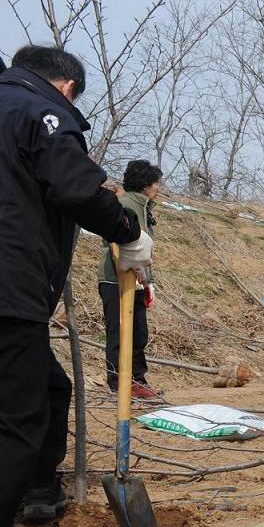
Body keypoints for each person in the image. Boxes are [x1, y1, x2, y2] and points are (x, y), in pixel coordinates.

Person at [0, 45, 151, 527]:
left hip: (2, 287)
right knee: (16, 414)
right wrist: (127, 230)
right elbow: (76, 188)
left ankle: (38, 489)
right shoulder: (41, 112)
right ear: (65, 86)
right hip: (2, 287)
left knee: (51, 387)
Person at [100, 160, 163, 399]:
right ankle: (118, 382)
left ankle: (138, 379)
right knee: (119, 332)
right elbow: (122, 243)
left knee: (138, 332)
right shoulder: (126, 204)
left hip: (137, 278)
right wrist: (144, 279)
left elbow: (144, 251)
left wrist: (148, 282)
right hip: (115, 278)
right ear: (146, 185)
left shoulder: (143, 206)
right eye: (156, 183)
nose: (158, 187)